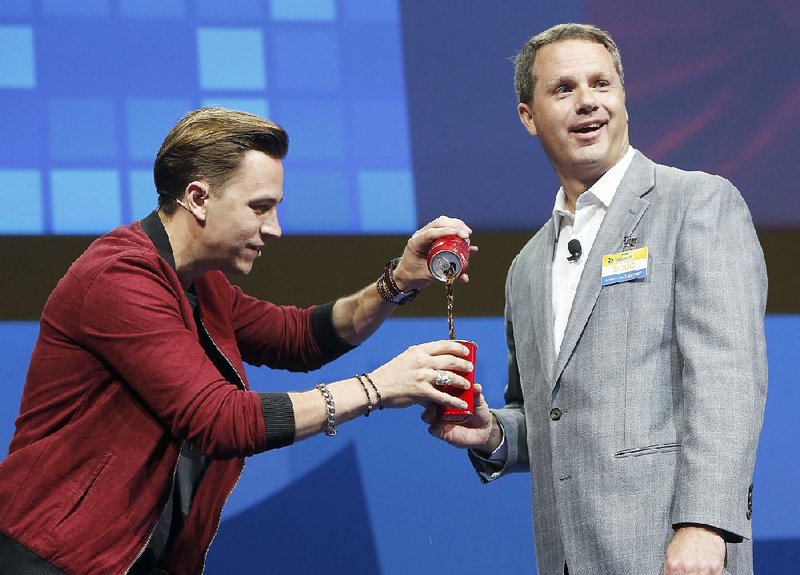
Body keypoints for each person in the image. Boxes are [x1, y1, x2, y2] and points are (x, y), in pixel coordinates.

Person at [0, 107, 476, 575]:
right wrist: (376, 388)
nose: (275, 228)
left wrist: (398, 280)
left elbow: (300, 339)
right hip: (51, 559)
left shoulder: (199, 282)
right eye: (260, 207)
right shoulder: (119, 277)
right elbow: (221, 420)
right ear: (198, 198)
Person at [424, 23, 767, 575]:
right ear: (528, 116)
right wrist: (493, 434)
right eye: (563, 89)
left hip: (674, 551)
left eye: (601, 84)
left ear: (623, 98)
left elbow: (728, 381)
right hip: (566, 556)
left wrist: (705, 526)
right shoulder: (526, 266)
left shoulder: (696, 203)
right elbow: (551, 419)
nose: (588, 102)